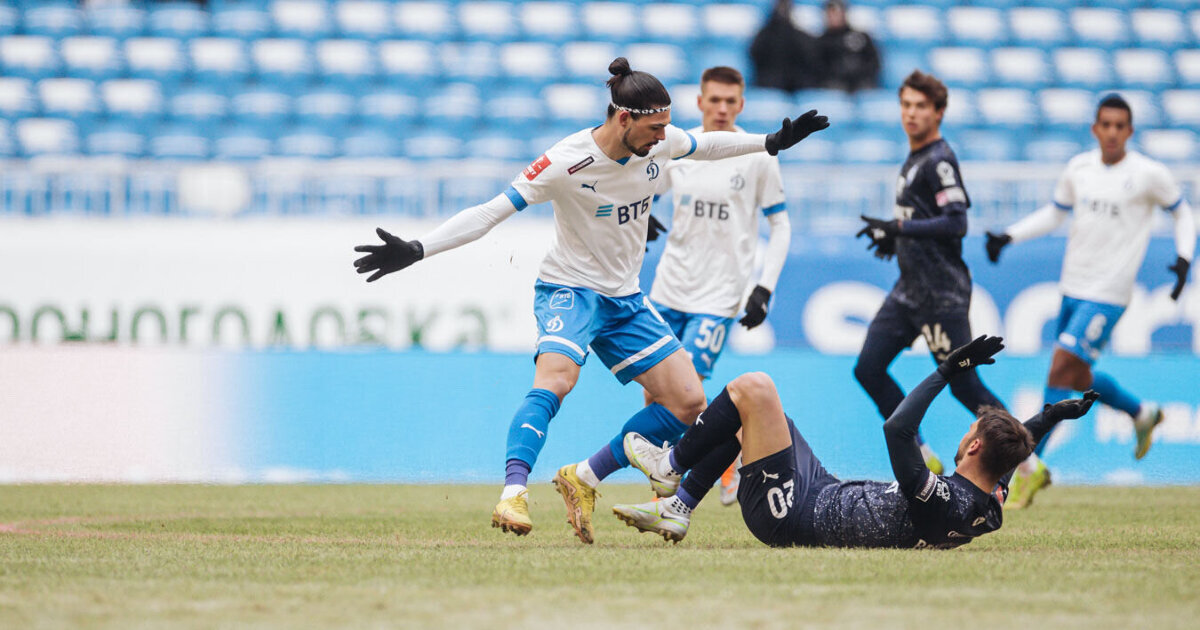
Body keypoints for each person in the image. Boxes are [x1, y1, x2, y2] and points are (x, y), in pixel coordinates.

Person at [352, 58, 829, 543]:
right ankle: (513, 491)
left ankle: (583, 477)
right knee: (558, 379)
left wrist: (769, 142)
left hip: (626, 299)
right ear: (624, 118)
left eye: (667, 127)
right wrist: (418, 248)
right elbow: (491, 212)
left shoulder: (661, 145)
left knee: (689, 402)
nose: (664, 137)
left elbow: (706, 145)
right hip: (570, 289)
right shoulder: (566, 160)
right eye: (655, 127)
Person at [612, 336, 1100, 547]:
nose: (966, 435)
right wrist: (1050, 416)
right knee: (759, 414)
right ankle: (677, 507)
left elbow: (897, 428)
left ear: (973, 448)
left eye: (969, 432)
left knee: (753, 388)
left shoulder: (941, 496)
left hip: (793, 514)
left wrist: (948, 369)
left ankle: (672, 464)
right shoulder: (988, 505)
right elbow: (1010, 456)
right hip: (820, 490)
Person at [985, 93, 1195, 508]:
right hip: (1072, 287)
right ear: (1095, 129)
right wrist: (1010, 235)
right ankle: (1141, 412)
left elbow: (1183, 212)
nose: (1113, 132)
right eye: (1106, 125)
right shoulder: (1079, 168)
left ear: (1130, 131)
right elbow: (1054, 213)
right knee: (1075, 377)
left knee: (1061, 365)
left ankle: (1027, 467)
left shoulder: (1148, 173)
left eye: (1121, 126)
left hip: (1109, 293)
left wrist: (1185, 258)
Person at [644, 65, 793, 507]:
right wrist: (642, 209)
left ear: (741, 104)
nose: (723, 108)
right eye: (715, 100)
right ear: (700, 102)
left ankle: (703, 470)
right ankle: (710, 463)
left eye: (731, 101)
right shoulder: (679, 147)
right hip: (669, 288)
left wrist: (764, 288)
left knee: (686, 390)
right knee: (655, 394)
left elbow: (780, 225)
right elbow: (647, 187)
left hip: (719, 294)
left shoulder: (758, 155)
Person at [855, 70, 1008, 476]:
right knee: (867, 368)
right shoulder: (913, 158)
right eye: (906, 104)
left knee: (966, 385)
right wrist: (895, 239)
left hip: (941, 294)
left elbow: (956, 222)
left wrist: (899, 228)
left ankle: (1024, 465)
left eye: (921, 106)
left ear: (939, 112)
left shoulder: (940, 160)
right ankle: (922, 456)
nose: (911, 113)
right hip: (909, 291)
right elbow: (922, 219)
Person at [749, 0, 819, 93]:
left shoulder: (800, 37)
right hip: (769, 82)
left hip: (795, 84)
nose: (782, 10)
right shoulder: (764, 35)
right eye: (780, 6)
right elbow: (755, 55)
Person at [816, 0, 880, 93]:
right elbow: (818, 69)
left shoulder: (861, 37)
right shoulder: (821, 42)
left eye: (837, 13)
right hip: (834, 85)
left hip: (861, 83)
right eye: (831, 13)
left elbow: (873, 63)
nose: (834, 17)